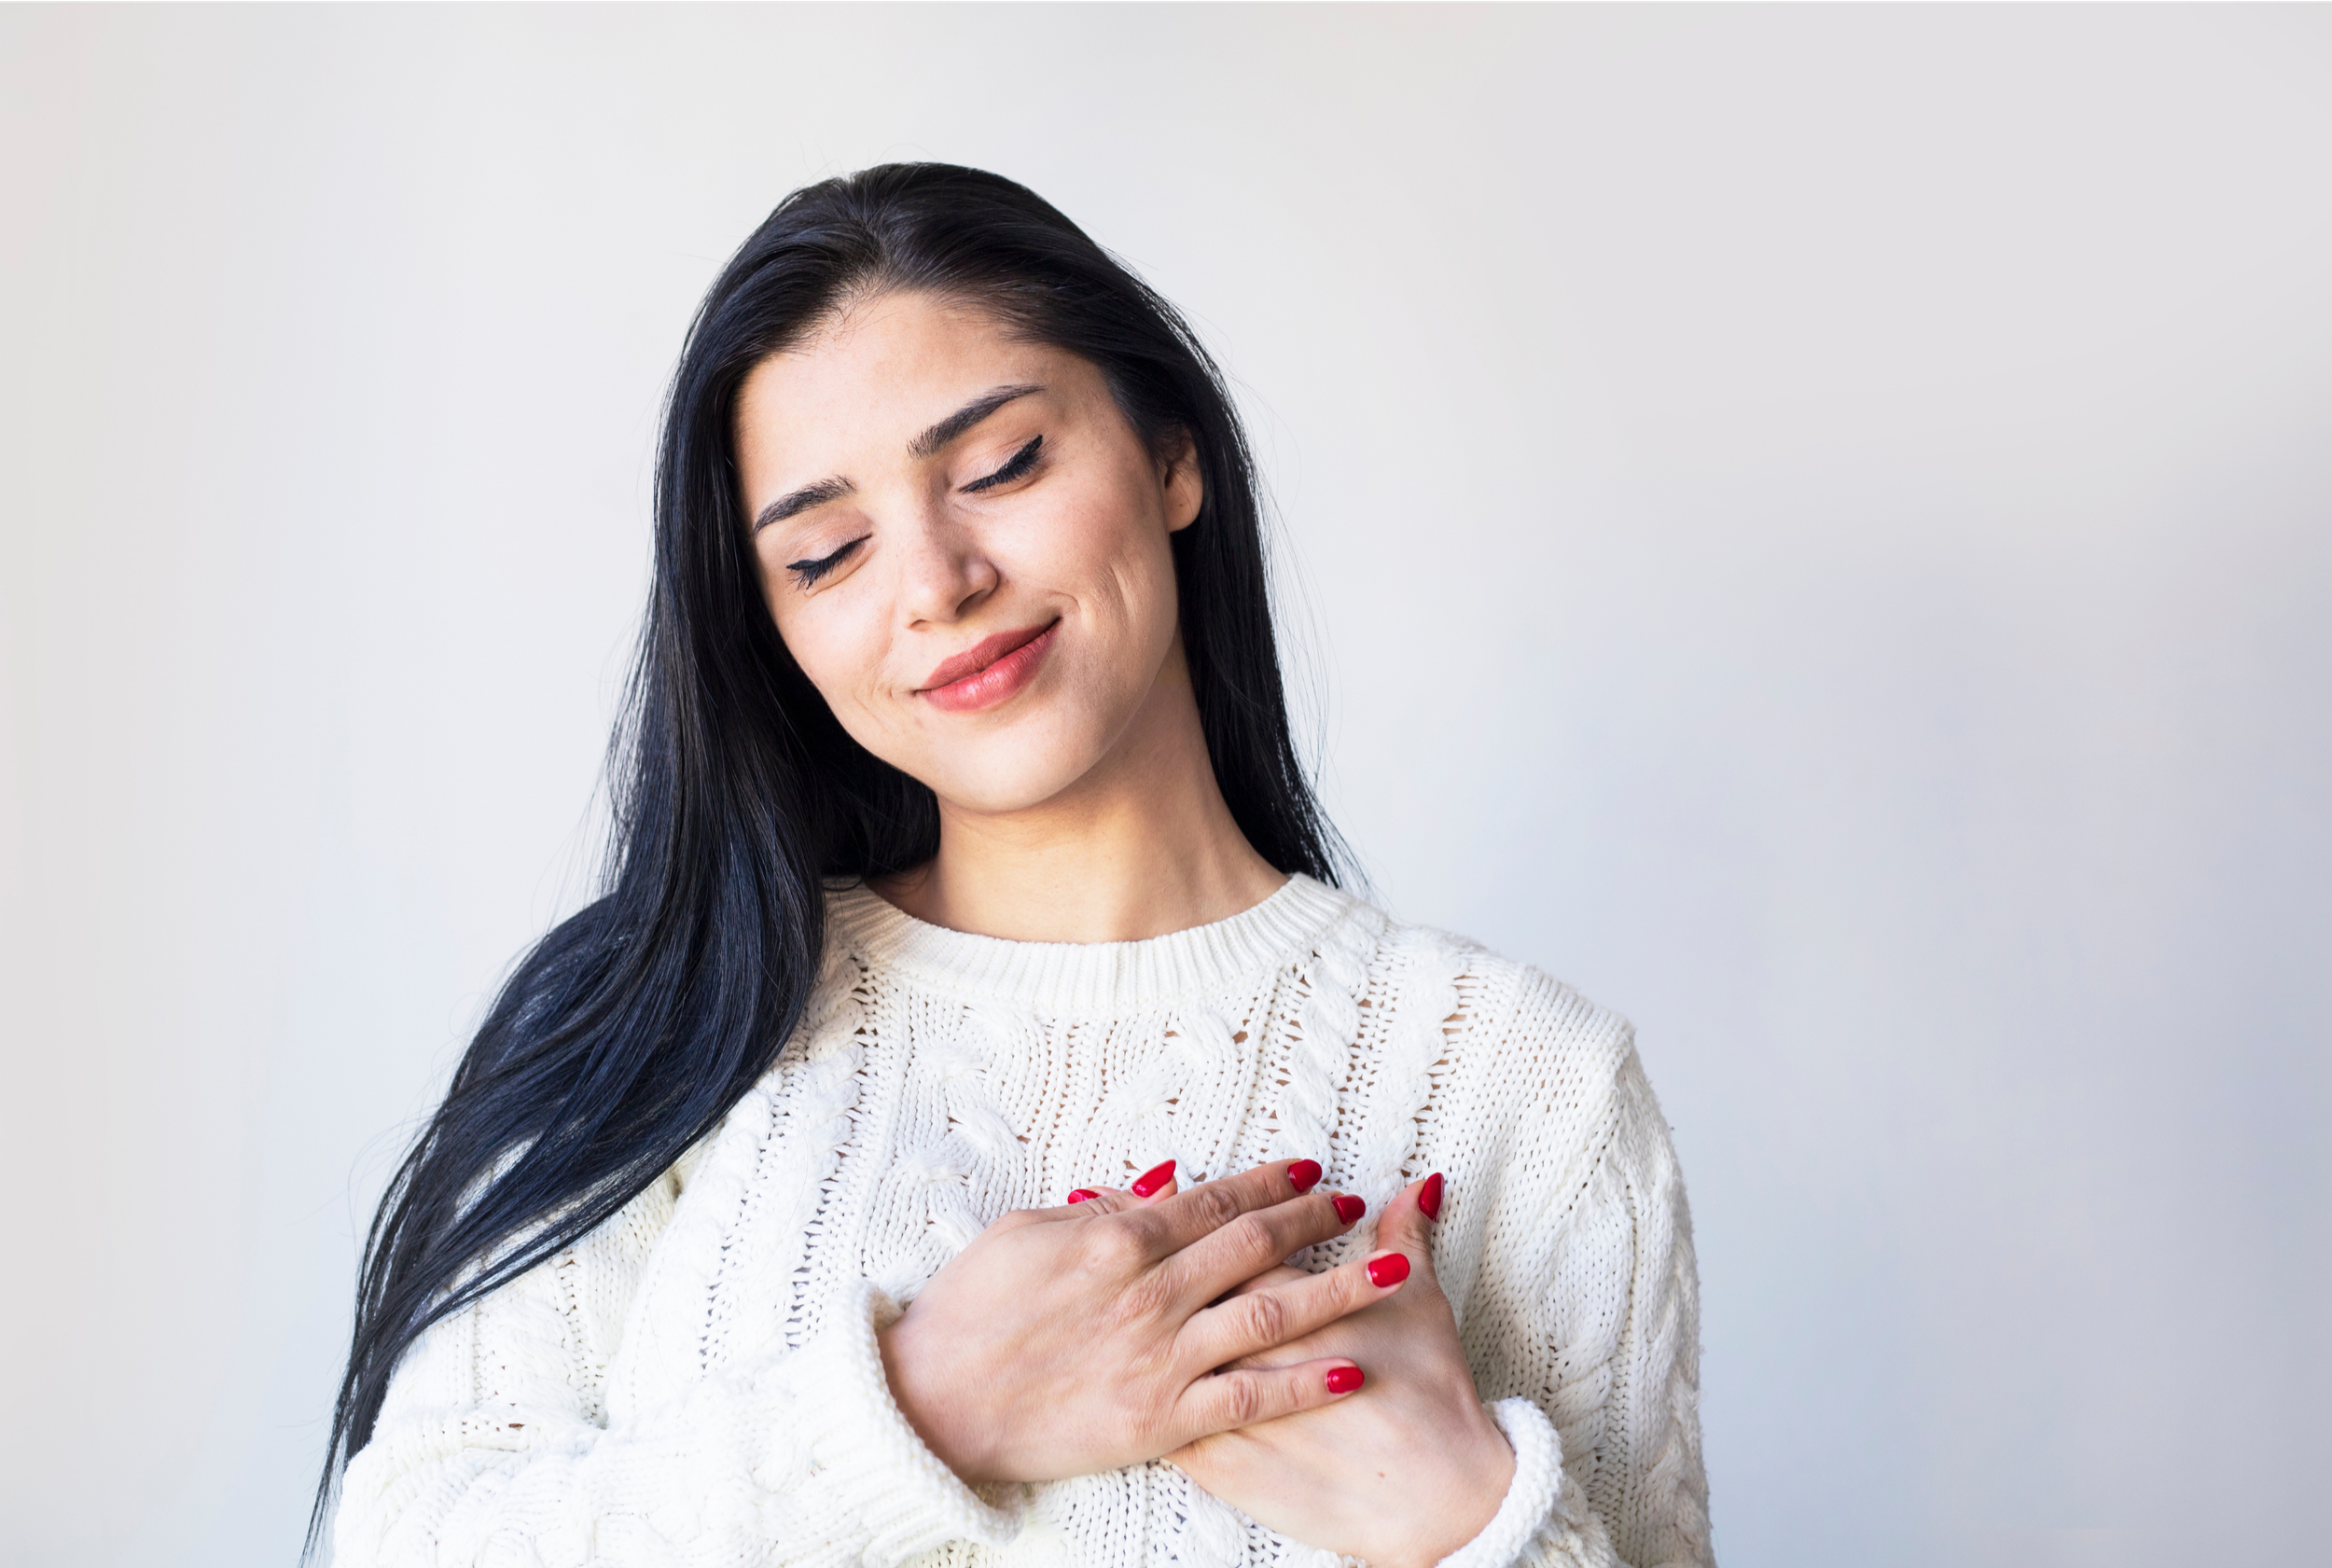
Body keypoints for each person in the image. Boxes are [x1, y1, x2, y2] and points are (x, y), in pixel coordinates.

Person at [318, 163, 1712, 1568]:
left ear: (1173, 459)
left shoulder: (1530, 1088)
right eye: (828, 552)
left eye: (1000, 467)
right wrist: (928, 1409)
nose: (935, 583)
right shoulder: (661, 1020)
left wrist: (1472, 1519)